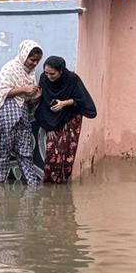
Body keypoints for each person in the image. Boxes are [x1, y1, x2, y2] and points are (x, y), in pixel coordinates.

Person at [0, 40, 45, 186]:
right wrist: (24, 89)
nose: (34, 64)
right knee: (2, 155)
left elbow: (27, 101)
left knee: (25, 154)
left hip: (22, 118)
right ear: (24, 55)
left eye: (37, 61)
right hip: (3, 117)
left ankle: (32, 190)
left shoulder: (31, 75)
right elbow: (2, 92)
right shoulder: (9, 68)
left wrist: (35, 98)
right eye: (32, 60)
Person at [35, 56, 97, 184]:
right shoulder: (44, 79)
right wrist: (49, 126)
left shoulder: (72, 79)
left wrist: (64, 103)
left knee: (65, 152)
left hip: (70, 119)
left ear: (61, 71)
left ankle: (61, 184)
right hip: (51, 121)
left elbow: (82, 100)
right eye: (46, 73)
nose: (48, 76)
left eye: (52, 74)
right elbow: (44, 103)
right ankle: (49, 185)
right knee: (52, 153)